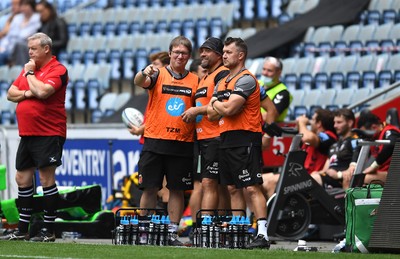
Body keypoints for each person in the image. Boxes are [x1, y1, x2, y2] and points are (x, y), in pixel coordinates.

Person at [2, 32, 68, 242]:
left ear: (46, 49)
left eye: (33, 48)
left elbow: (43, 92)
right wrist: (27, 92)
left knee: (47, 179)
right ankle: (22, 229)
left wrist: (29, 77)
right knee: (21, 178)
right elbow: (10, 93)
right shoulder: (31, 69)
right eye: (29, 48)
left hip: (49, 132)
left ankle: (48, 230)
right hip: (27, 133)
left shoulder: (57, 70)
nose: (29, 52)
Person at [133, 36, 198, 246]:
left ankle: (172, 233)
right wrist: (144, 72)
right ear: (169, 54)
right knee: (149, 188)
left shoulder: (195, 80)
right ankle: (144, 232)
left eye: (184, 53)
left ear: (189, 57)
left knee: (177, 189)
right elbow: (139, 81)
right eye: (176, 52)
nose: (180, 56)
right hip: (154, 140)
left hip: (182, 142)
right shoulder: (158, 74)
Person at [207, 37, 270, 249]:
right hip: (225, 137)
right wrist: (218, 106)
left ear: (240, 55)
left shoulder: (246, 79)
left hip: (245, 138)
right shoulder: (221, 81)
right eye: (223, 52)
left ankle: (262, 235)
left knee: (251, 187)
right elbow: (211, 115)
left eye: (228, 52)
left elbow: (228, 110)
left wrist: (216, 102)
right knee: (233, 188)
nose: (224, 55)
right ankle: (239, 229)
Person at [182, 37, 230, 242]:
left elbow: (220, 107)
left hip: (217, 136)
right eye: (201, 50)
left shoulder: (223, 75)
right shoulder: (206, 77)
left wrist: (197, 110)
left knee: (212, 183)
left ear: (219, 54)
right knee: (214, 184)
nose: (202, 54)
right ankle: (220, 226)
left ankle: (207, 228)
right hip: (204, 138)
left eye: (207, 51)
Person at [262, 108, 337, 199]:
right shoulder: (311, 134)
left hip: (310, 178)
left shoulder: (328, 135)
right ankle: (256, 212)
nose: (310, 122)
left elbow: (307, 138)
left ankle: (273, 213)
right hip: (298, 174)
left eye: (312, 119)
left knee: (271, 182)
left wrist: (302, 122)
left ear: (319, 124)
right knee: (257, 181)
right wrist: (299, 127)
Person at [342, 111, 400, 189]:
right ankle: (349, 200)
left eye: (364, 132)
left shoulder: (390, 131)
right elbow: (359, 146)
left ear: (374, 127)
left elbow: (391, 144)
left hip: (394, 173)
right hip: (381, 172)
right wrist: (352, 165)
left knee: (362, 179)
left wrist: (374, 166)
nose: (364, 136)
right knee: (347, 179)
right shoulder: (372, 136)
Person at [311, 108, 358, 188]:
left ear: (350, 123)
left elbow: (355, 168)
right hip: (327, 179)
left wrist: (338, 175)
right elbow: (326, 169)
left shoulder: (355, 141)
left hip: (340, 181)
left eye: (339, 122)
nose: (335, 126)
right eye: (334, 122)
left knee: (311, 181)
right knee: (307, 178)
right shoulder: (334, 145)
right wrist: (317, 173)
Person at [12, 0, 68, 66]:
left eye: (42, 11)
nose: (40, 14)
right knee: (20, 45)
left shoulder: (59, 22)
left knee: (22, 46)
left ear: (49, 9)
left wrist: (45, 45)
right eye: (38, 12)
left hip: (51, 51)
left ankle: (27, 70)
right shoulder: (42, 24)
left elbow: (63, 42)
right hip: (41, 50)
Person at [0, 0, 40, 66]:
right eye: (23, 5)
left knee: (18, 45)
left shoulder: (37, 18)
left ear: (32, 6)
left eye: (26, 5)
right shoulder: (17, 18)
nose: (24, 7)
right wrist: (2, 47)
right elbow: (9, 36)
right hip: (10, 47)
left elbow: (25, 36)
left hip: (25, 47)